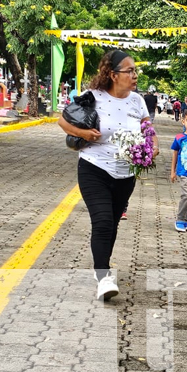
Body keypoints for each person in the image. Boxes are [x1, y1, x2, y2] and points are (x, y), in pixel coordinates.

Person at [58, 50, 159, 301]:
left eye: (135, 71)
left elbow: (148, 128)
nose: (135, 75)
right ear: (113, 75)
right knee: (102, 220)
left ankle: (102, 264)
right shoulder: (92, 97)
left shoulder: (137, 100)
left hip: (125, 174)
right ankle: (103, 276)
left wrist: (153, 145)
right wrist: (82, 134)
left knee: (112, 223)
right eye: (130, 71)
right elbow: (63, 121)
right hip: (94, 167)